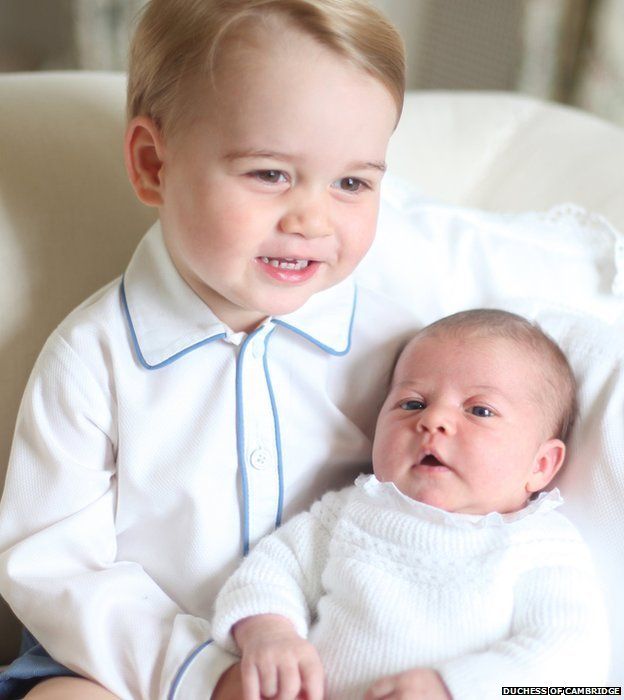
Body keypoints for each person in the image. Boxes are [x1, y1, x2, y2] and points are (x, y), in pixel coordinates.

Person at [0, 1, 412, 699]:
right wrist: (199, 675)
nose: (311, 219)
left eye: (352, 183)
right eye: (269, 174)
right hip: (121, 664)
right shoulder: (93, 357)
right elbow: (54, 566)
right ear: (153, 164)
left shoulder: (395, 344)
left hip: (323, 664)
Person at [211, 309, 610, 700]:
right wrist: (270, 632)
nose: (434, 419)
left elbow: (576, 661)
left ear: (540, 466)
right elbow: (269, 571)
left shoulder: (538, 545)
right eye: (412, 403)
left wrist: (456, 688)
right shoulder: (352, 512)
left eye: (479, 410)